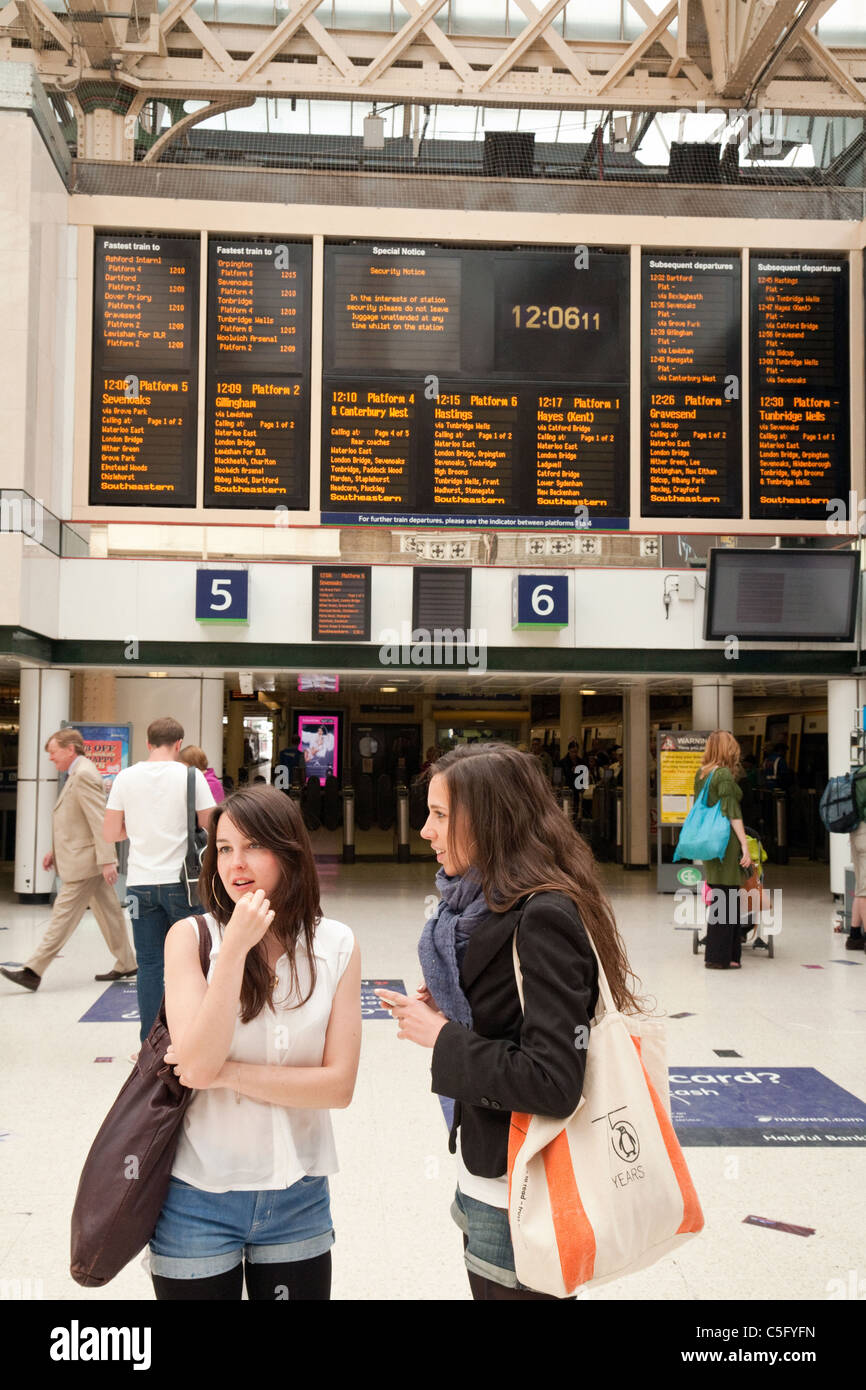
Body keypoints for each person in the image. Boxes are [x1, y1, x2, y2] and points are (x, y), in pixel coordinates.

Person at [375, 742, 643, 1301]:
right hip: (484, 1170)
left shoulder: (544, 914)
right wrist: (453, 1010)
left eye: (441, 815)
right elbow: (507, 1022)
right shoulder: (472, 908)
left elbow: (553, 1080)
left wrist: (442, 1037)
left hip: (527, 1188)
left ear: (491, 820)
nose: (425, 831)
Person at [149, 786, 361, 1301]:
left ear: (288, 852)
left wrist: (227, 1074)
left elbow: (337, 1087)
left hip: (298, 1195)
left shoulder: (337, 945)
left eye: (252, 847)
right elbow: (196, 1065)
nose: (235, 864)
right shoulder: (190, 938)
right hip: (195, 1194)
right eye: (223, 848)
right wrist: (233, 952)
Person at [103, 717, 216, 1041]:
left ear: (148, 744)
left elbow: (110, 831)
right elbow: (211, 825)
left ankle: (149, 1043)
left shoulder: (125, 778)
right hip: (184, 886)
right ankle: (193, 1036)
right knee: (194, 960)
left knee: (150, 964)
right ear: (179, 744)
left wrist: (136, 831)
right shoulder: (191, 776)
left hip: (139, 885)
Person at [1, 729, 136, 992]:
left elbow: (98, 820)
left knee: (62, 917)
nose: (51, 758)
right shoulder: (77, 773)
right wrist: (55, 850)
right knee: (109, 914)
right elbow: (75, 821)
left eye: (53, 752)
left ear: (70, 749)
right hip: (84, 858)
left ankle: (33, 971)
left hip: (85, 864)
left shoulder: (84, 774)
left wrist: (108, 860)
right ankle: (127, 962)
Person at [692, 731, 752, 970]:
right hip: (725, 844)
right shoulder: (724, 775)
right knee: (726, 897)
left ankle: (730, 954)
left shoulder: (702, 773)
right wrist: (745, 845)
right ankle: (718, 956)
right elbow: (732, 813)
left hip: (709, 842)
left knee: (723, 896)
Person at [846, 765, 866, 951]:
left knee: (861, 886)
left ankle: (854, 936)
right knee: (865, 889)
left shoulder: (859, 772)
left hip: (857, 832)